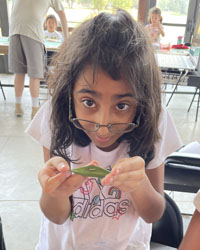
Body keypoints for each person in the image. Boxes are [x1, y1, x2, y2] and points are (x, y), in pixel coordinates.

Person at [26, 9, 182, 250]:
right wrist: (54, 192)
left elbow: (153, 213)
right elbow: (56, 216)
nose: (103, 124)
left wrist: (140, 184)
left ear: (142, 104)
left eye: (122, 105)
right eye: (89, 102)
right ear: (70, 95)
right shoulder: (55, 118)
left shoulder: (155, 121)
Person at [8, 0, 68, 119]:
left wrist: (66, 39)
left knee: (34, 73)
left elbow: (62, 14)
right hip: (15, 32)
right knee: (19, 72)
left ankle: (35, 108)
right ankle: (18, 105)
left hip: (33, 34)